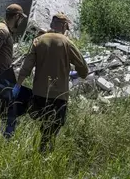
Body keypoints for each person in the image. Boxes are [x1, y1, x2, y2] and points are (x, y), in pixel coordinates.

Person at [13, 12, 88, 153]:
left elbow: (26, 66)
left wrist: (18, 85)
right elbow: (83, 67)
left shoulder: (39, 40)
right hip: (59, 96)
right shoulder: (67, 43)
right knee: (53, 128)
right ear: (65, 26)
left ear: (51, 24)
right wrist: (80, 74)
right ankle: (45, 152)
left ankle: (40, 149)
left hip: (40, 94)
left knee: (42, 122)